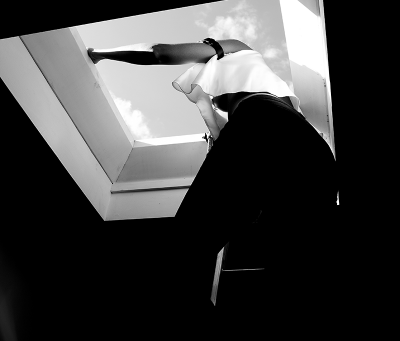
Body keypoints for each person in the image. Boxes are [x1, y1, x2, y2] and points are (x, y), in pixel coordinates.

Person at [87, 38, 339, 328]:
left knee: (184, 252)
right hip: (318, 161)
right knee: (300, 269)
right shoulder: (272, 94)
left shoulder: (239, 51)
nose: (211, 95)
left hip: (263, 123)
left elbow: (160, 52)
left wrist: (98, 53)